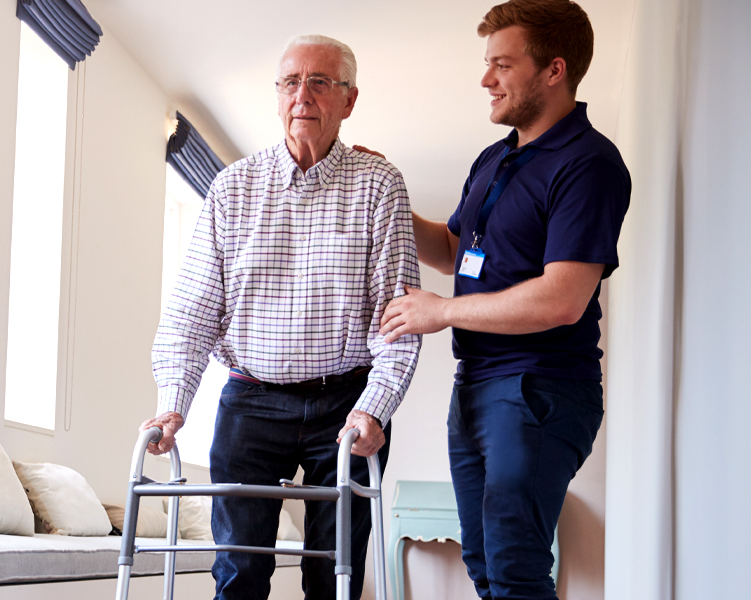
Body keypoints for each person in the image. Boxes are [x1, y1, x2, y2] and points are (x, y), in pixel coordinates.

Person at [141, 35, 422, 600]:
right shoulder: (231, 188)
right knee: (240, 572)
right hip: (250, 398)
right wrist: (172, 403)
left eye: (321, 82)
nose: (303, 95)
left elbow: (399, 319)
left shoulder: (379, 186)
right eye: (291, 82)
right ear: (277, 96)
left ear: (349, 99)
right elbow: (193, 310)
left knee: (333, 574)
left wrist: (376, 409)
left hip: (346, 400)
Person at [373, 1, 631, 598]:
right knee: (486, 566)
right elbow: (452, 246)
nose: (485, 79)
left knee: (514, 567)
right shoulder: (495, 159)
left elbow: (562, 299)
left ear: (554, 70)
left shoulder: (589, 164)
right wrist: (390, 193)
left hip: (538, 388)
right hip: (477, 386)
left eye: (502, 65)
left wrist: (442, 311)